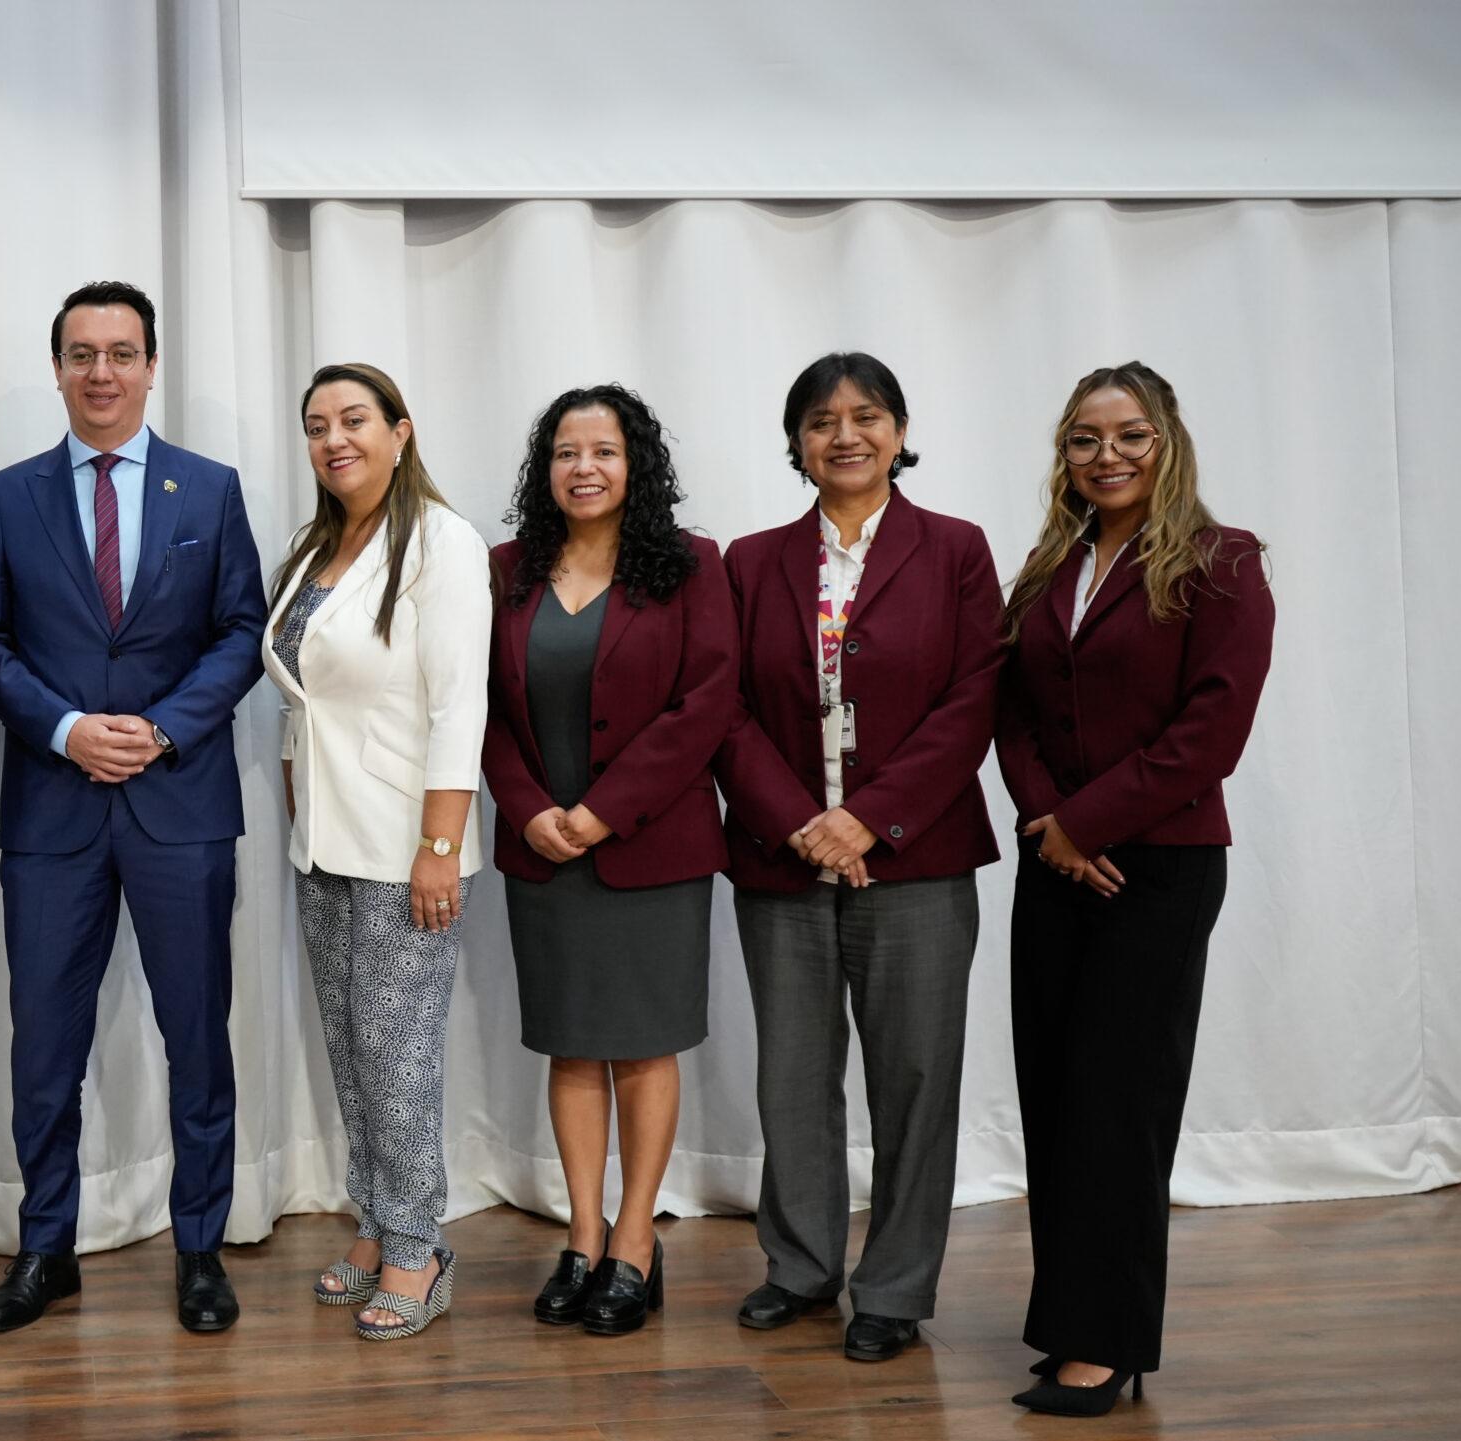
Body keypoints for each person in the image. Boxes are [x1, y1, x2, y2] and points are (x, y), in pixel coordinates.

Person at [0, 282, 266, 1335]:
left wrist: (164, 726)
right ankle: (47, 1245)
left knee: (197, 1037)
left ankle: (198, 1247)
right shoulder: (10, 495)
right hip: (52, 811)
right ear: (57, 368)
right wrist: (63, 729)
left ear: (150, 366)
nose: (102, 371)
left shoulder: (209, 489)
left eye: (121, 352)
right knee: (44, 1043)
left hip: (179, 802)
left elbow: (241, 629)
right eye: (82, 353)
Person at [996, 364, 1272, 1418]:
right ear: (1063, 455)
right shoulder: (1048, 563)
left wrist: (1087, 821)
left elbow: (1212, 730)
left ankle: (1106, 1346)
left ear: (1167, 441)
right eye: (1082, 439)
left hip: (1158, 865)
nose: (1105, 455)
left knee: (1120, 1103)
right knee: (1054, 1098)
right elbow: (1010, 711)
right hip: (1053, 858)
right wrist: (1046, 823)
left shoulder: (1221, 563)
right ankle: (1070, 1318)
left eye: (1128, 435)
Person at [714, 352, 1002, 1363]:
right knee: (793, 1073)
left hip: (914, 862)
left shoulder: (956, 550)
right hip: (780, 857)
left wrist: (867, 819)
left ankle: (894, 1284)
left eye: (865, 415)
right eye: (821, 420)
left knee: (915, 1075)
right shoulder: (749, 562)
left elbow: (971, 701)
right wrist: (801, 820)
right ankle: (798, 1265)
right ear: (795, 440)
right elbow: (726, 708)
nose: (845, 435)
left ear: (898, 428)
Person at [482, 384, 736, 1336]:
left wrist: (601, 811)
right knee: (571, 1041)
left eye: (604, 451)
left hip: (652, 849)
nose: (583, 468)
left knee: (642, 1042)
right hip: (542, 852)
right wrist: (533, 808)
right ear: (544, 469)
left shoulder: (690, 566)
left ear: (637, 464)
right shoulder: (506, 568)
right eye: (564, 452)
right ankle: (583, 1234)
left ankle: (636, 1239)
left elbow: (705, 704)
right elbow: (485, 710)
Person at [265, 362, 491, 1341]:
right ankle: (373, 1214)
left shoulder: (442, 542)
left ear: (401, 430)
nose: (333, 439)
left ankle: (418, 1244)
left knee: (397, 1056)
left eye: (354, 419)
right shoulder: (314, 545)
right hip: (322, 840)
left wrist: (438, 844)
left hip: (406, 845)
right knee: (351, 1051)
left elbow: (459, 705)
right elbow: (299, 696)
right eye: (316, 425)